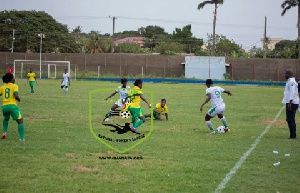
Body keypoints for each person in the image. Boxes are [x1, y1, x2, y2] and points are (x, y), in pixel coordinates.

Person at [0, 73, 25, 141]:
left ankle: (4, 132)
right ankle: (21, 138)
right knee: (20, 121)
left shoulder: (3, 87)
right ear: (11, 79)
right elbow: (15, 95)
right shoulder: (14, 86)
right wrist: (19, 99)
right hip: (12, 106)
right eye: (13, 78)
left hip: (4, 107)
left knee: (6, 119)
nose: (14, 79)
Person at [282, 69, 299, 139]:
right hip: (291, 102)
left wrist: (290, 102)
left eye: (285, 74)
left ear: (288, 74)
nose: (284, 75)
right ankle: (293, 134)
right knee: (290, 119)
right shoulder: (290, 81)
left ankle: (293, 136)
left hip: (292, 103)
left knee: (290, 119)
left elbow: (292, 92)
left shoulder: (291, 82)